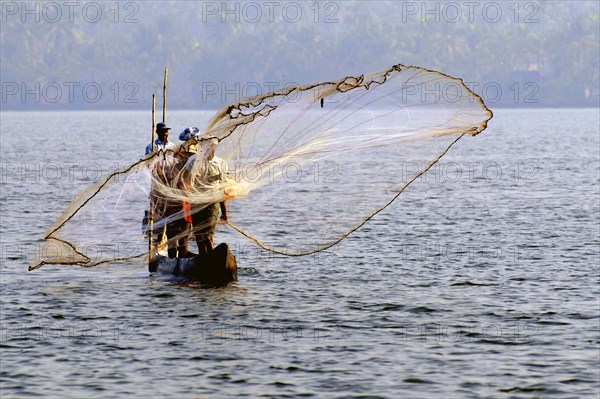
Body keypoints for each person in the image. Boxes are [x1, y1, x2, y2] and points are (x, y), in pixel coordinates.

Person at [186, 137, 229, 255]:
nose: (211, 150)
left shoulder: (221, 164)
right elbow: (188, 182)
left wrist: (224, 211)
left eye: (213, 148)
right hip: (196, 203)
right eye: (208, 147)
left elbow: (222, 188)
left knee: (208, 235)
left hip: (212, 203)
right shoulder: (193, 161)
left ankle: (211, 261)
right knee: (199, 237)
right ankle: (203, 260)